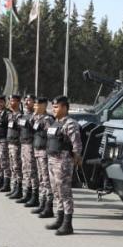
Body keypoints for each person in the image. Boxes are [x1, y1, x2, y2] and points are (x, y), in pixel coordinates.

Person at [45, 95, 82, 236]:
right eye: (53, 107)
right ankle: (59, 219)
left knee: (65, 193)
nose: (53, 109)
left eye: (56, 107)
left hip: (63, 162)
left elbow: (77, 145)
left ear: (65, 108)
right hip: (52, 160)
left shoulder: (70, 124)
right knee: (56, 191)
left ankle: (68, 224)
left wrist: (76, 159)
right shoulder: (55, 123)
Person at [31, 97, 55, 217]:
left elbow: (50, 135)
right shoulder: (37, 118)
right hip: (37, 151)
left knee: (46, 180)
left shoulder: (47, 119)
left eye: (37, 105)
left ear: (44, 106)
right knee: (41, 178)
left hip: (44, 152)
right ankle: (42, 203)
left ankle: (48, 206)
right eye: (34, 104)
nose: (34, 106)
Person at [17, 94, 39, 206]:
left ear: (34, 103)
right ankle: (27, 193)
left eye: (29, 101)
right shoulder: (24, 115)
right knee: (25, 170)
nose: (26, 103)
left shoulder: (36, 117)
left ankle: (35, 196)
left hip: (31, 146)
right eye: (25, 100)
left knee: (32, 171)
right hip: (23, 145)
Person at [6, 94, 24, 199]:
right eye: (10, 100)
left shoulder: (20, 116)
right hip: (10, 144)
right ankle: (15, 187)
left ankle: (19, 189)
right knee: (13, 167)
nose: (10, 102)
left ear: (18, 102)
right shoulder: (11, 114)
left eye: (12, 101)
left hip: (16, 145)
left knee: (17, 167)